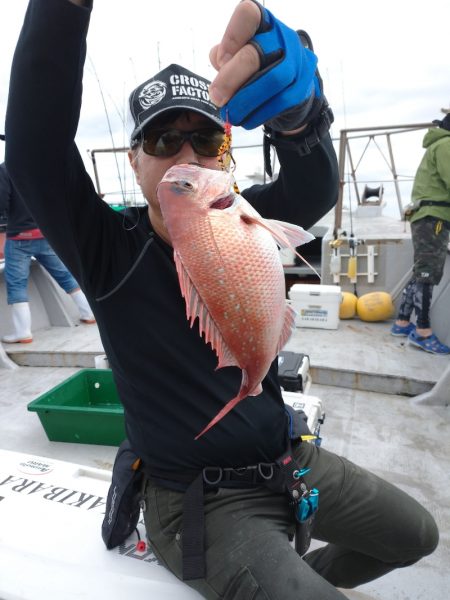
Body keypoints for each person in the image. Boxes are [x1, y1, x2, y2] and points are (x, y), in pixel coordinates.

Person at [5, 1, 438, 598]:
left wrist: (300, 118)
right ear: (133, 160)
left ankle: (300, 578)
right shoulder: (106, 248)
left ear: (224, 155)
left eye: (205, 138)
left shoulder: (242, 220)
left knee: (417, 535)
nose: (186, 155)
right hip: (196, 500)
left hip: (287, 459)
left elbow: (311, 186)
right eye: (162, 139)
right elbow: (34, 148)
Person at [0, 160, 96, 343]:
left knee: (17, 285)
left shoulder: (5, 169)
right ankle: (89, 313)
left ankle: (23, 333)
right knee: (66, 276)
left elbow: (1, 201)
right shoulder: (39, 166)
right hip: (44, 233)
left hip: (19, 237)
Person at [391, 110, 450, 355]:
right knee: (427, 272)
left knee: (420, 270)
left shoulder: (437, 144)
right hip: (434, 218)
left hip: (425, 216)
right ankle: (422, 331)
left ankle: (402, 321)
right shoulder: (447, 144)